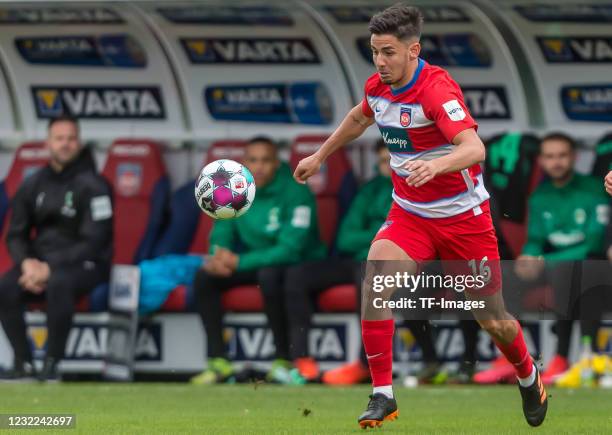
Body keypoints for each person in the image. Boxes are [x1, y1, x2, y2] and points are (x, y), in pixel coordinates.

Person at [293, 4, 547, 428]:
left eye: (388, 52)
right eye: (375, 51)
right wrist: (320, 155)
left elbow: (473, 148)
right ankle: (383, 394)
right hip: (410, 214)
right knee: (377, 280)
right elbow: (360, 117)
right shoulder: (378, 86)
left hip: (464, 220)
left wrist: (437, 164)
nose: (380, 61)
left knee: (494, 319)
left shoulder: (436, 91)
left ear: (414, 50)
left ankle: (527, 374)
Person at [191, 136, 326, 385]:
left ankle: (282, 359)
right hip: (254, 261)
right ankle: (218, 361)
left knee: (271, 275)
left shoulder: (296, 190)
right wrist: (218, 255)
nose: (260, 166)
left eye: (266, 160)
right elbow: (221, 231)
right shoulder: (235, 188)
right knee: (204, 277)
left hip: (294, 265)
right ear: (244, 163)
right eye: (253, 160)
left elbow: (290, 249)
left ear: (277, 163)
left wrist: (238, 262)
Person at [0, 115, 113, 381]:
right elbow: (15, 234)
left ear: (79, 142)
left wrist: (49, 268)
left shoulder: (96, 186)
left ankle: (52, 362)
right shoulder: (33, 183)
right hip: (39, 264)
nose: (65, 144)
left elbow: (96, 240)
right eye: (59, 138)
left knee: (59, 282)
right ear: (48, 143)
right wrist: (28, 264)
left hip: (87, 264)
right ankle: (23, 362)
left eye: (71, 139)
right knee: (5, 286)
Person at [507, 133, 609, 385]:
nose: (557, 162)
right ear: (541, 160)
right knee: (506, 274)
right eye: (550, 156)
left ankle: (564, 356)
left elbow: (594, 242)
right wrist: (529, 256)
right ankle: (510, 357)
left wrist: (547, 259)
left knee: (571, 269)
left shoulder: (594, 188)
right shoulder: (539, 196)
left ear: (574, 156)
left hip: (587, 263)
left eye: (562, 155)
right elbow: (535, 239)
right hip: (555, 262)